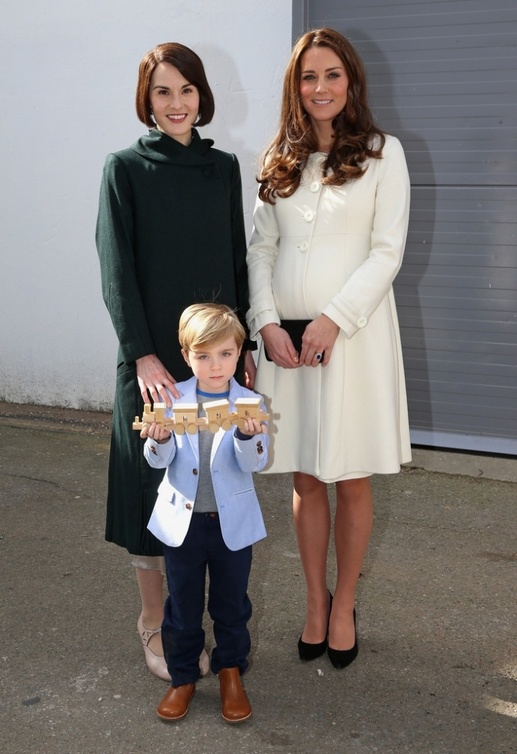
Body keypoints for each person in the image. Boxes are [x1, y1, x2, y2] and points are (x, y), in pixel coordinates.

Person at [246, 28, 411, 669]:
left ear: (351, 81)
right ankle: (315, 602)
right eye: (308, 77)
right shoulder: (278, 159)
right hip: (288, 344)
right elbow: (261, 249)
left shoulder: (382, 154)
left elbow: (387, 252)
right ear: (296, 87)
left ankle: (345, 607)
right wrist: (266, 323)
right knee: (306, 475)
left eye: (332, 75)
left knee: (351, 475)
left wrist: (334, 319)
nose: (320, 88)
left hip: (354, 340)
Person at [96, 42, 255, 682]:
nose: (176, 103)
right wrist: (142, 355)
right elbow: (116, 270)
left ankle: (205, 625)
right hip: (154, 361)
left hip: (213, 359)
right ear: (147, 100)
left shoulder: (223, 168)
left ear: (201, 95)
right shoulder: (124, 169)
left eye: (186, 89)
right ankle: (152, 618)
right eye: (163, 91)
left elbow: (237, 262)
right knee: (152, 484)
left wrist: (242, 351)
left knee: (211, 488)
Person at [140, 303, 268, 722]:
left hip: (232, 525)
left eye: (225, 354)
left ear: (239, 352)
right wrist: (159, 440)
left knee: (232, 605)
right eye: (203, 355)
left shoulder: (250, 402)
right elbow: (157, 461)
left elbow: (257, 462)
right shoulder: (172, 399)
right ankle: (183, 677)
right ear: (186, 355)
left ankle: (230, 671)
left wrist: (248, 438)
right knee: (182, 605)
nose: (215, 366)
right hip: (184, 525)